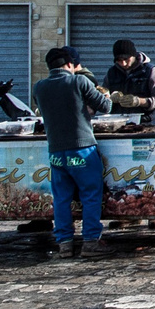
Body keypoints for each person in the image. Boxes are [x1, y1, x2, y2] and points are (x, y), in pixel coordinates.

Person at [34, 46, 114, 257]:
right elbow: (106, 107)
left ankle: (64, 245)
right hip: (83, 150)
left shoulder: (39, 87)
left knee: (61, 198)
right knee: (90, 195)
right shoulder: (79, 81)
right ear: (69, 64)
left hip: (56, 153)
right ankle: (90, 242)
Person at [103, 39, 155, 117]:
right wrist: (108, 99)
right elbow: (103, 97)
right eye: (119, 60)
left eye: (126, 59)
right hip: (117, 123)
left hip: (144, 124)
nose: (123, 63)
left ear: (134, 56)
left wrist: (139, 101)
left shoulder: (150, 71)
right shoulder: (111, 73)